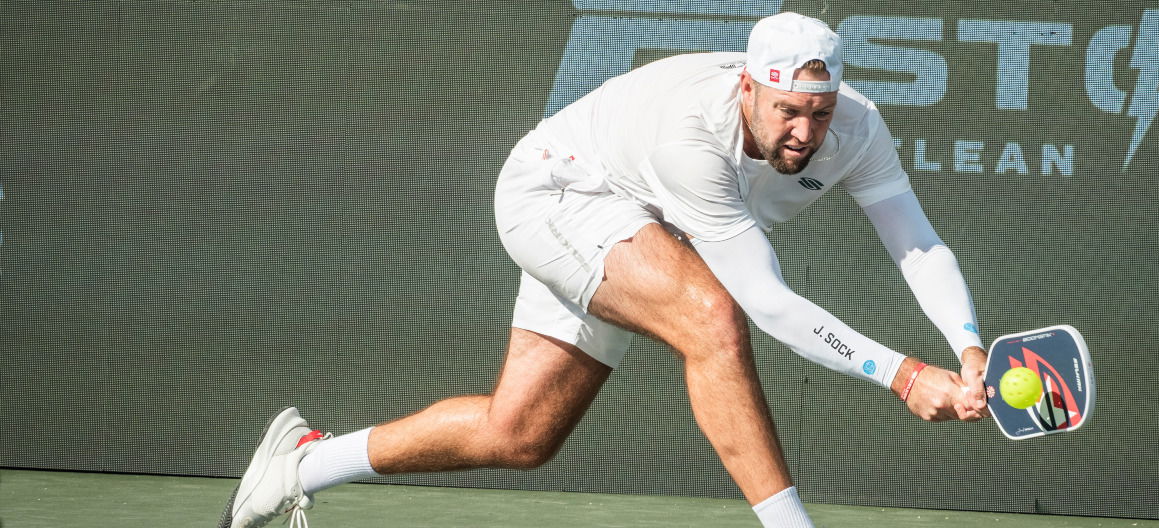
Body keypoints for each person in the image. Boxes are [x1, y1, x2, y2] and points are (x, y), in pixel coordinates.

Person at [218, 12, 990, 528]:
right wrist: (903, 375)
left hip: (641, 226)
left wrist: (967, 346)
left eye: (819, 113)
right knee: (712, 319)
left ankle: (304, 465)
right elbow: (765, 300)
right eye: (787, 110)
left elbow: (917, 246)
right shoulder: (691, 137)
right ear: (749, 88)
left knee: (520, 433)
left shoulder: (857, 127)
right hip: (561, 193)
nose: (806, 132)